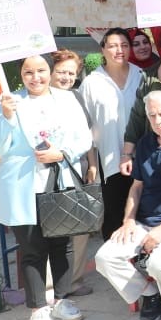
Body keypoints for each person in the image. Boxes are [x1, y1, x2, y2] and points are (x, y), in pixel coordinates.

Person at [0, 54, 93, 320]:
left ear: (50, 71)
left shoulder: (67, 100)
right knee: (32, 249)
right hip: (22, 186)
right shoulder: (9, 102)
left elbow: (84, 138)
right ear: (21, 75)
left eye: (41, 70)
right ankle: (37, 308)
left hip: (58, 180)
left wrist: (63, 153)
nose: (36, 77)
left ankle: (62, 299)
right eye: (28, 72)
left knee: (62, 244)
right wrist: (6, 117)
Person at [95, 90, 161, 320]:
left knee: (157, 264)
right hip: (142, 221)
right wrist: (128, 220)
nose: (158, 121)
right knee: (104, 258)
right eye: (152, 115)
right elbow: (136, 187)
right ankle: (149, 295)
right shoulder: (145, 143)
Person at [80, 28, 144, 243]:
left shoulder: (141, 76)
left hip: (140, 156)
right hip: (108, 160)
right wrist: (92, 163)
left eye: (124, 45)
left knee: (141, 212)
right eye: (113, 46)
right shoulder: (92, 82)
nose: (119, 50)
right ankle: (114, 257)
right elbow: (85, 125)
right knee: (113, 215)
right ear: (103, 49)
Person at [49, 48, 96, 298]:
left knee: (79, 228)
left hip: (77, 170)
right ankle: (51, 283)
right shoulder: (39, 98)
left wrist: (92, 164)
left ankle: (74, 280)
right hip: (48, 172)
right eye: (61, 72)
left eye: (71, 73)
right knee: (53, 226)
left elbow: (88, 134)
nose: (66, 77)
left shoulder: (76, 98)